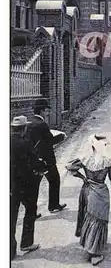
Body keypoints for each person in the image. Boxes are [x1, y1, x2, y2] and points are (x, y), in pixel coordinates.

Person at [66, 134, 111, 266]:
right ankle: (95, 252)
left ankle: (89, 244)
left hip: (88, 189)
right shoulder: (108, 160)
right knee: (99, 218)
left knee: (90, 216)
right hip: (101, 191)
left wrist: (82, 177)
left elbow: (70, 167)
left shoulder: (85, 158)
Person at [11, 115, 47, 259]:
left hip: (9, 186)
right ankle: (26, 243)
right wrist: (42, 167)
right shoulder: (24, 143)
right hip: (26, 185)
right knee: (30, 210)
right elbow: (34, 162)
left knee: (11, 216)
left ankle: (10, 251)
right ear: (24, 129)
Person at [27, 99, 67, 215]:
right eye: (46, 110)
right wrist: (61, 136)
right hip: (47, 159)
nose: (47, 113)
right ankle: (53, 205)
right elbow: (50, 141)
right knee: (54, 180)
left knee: (34, 186)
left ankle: (31, 213)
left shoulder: (30, 122)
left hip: (33, 159)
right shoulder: (42, 124)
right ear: (42, 111)